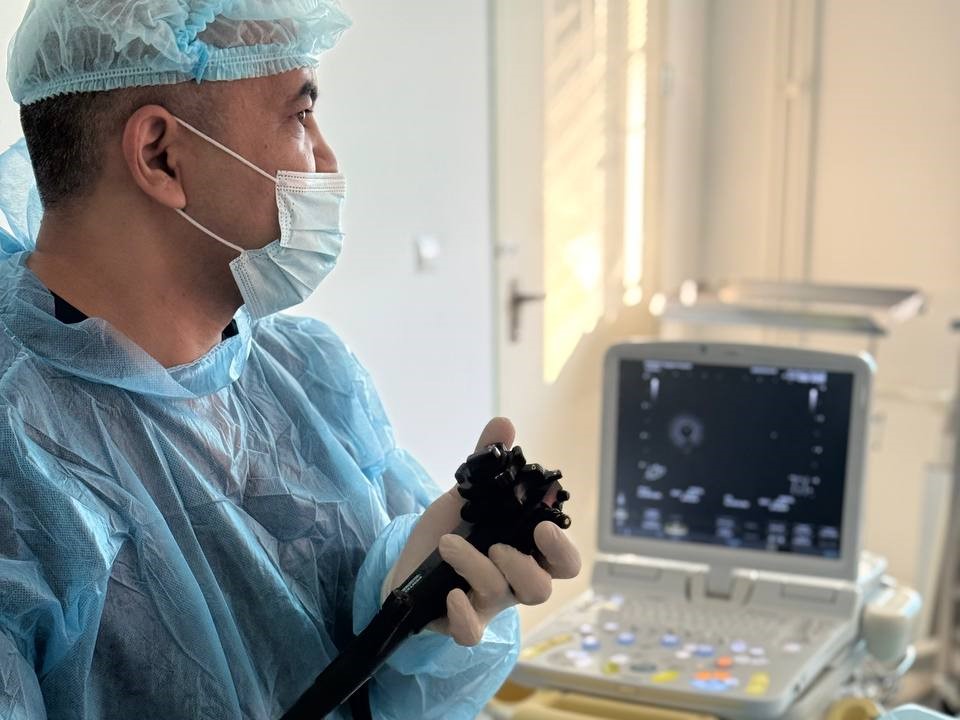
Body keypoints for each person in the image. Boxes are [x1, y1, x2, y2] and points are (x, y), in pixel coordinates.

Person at [0, 1, 581, 718]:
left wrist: (409, 615)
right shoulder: (17, 456)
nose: (327, 161)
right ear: (160, 155)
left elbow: (400, 697)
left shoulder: (305, 372)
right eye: (301, 116)